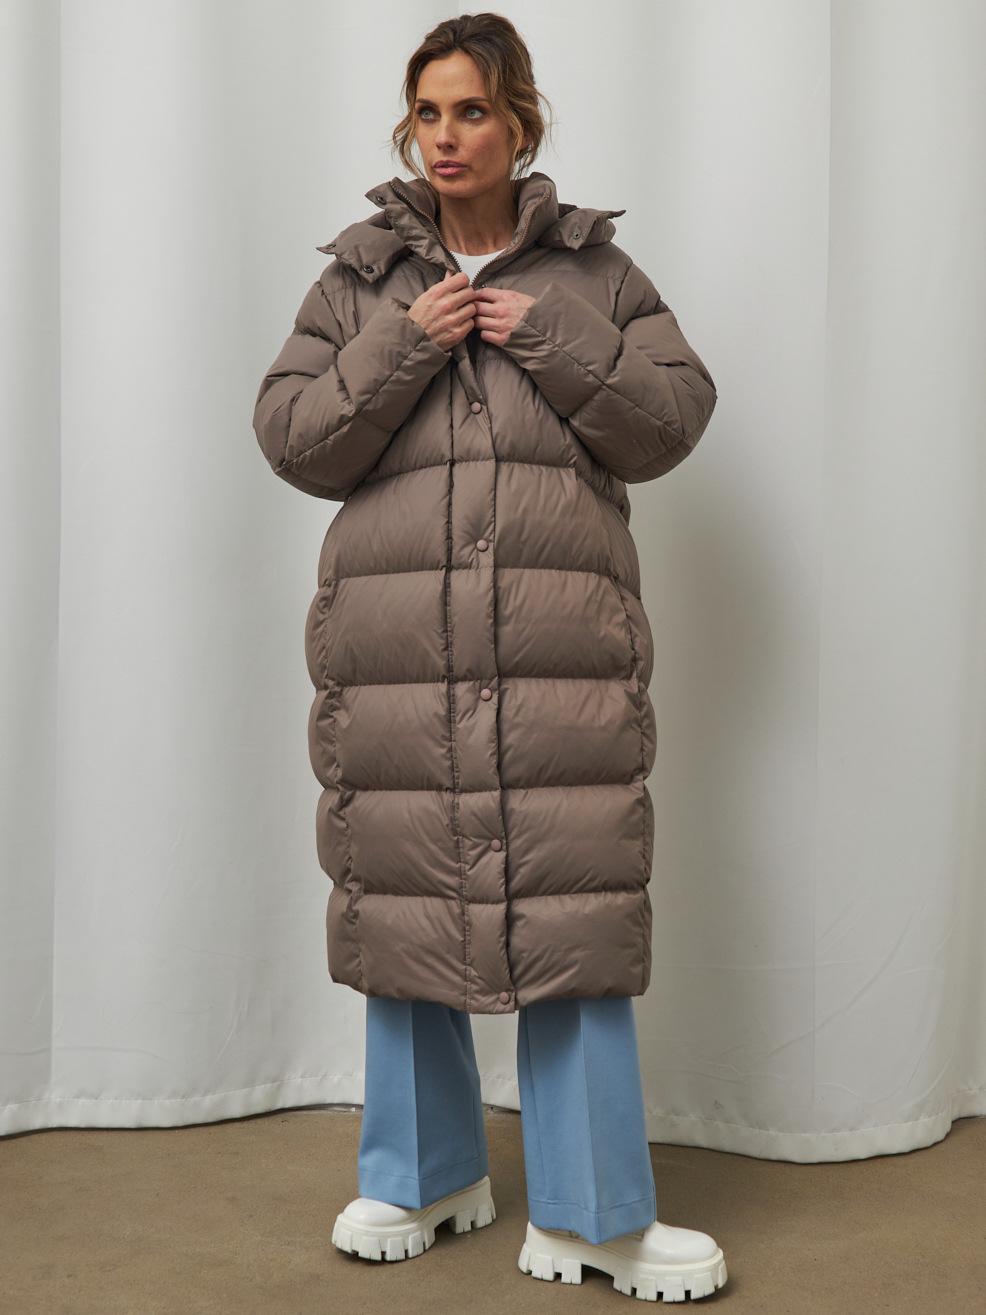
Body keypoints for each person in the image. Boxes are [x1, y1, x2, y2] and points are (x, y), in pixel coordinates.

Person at [253, 12, 725, 1303]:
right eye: (426, 113)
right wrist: (407, 339)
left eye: (471, 110)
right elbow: (291, 439)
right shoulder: (358, 279)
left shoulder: (596, 273)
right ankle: (422, 1177)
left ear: (521, 120)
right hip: (395, 659)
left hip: (560, 665)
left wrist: (549, 335)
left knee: (573, 920)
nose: (445, 136)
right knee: (405, 913)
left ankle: (592, 1215)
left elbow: (672, 421)